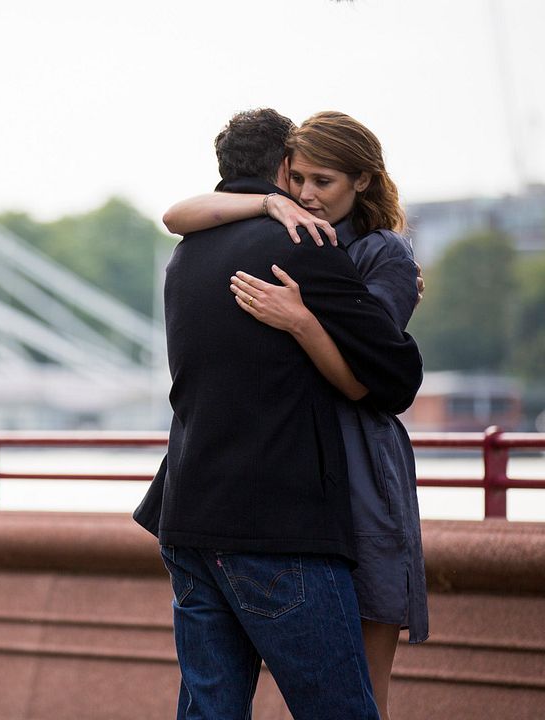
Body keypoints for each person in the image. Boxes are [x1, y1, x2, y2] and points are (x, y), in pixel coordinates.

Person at [133, 108, 423, 720]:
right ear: (285, 167)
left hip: (187, 515)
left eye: (326, 182)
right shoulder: (304, 244)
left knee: (210, 710)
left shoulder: (187, 254)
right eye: (303, 178)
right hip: (275, 522)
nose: (308, 196)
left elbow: (175, 214)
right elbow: (394, 378)